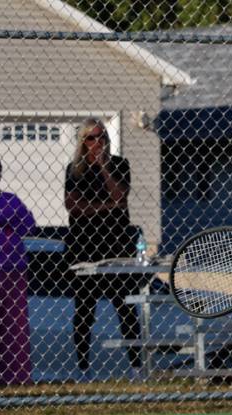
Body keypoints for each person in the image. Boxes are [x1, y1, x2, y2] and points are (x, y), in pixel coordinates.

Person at [64, 118, 141, 372]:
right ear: (82, 142)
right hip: (85, 247)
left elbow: (120, 196)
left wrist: (105, 168)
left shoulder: (120, 165)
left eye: (101, 137)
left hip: (116, 245)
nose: (97, 143)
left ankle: (136, 365)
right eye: (91, 138)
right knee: (84, 309)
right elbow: (73, 206)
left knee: (125, 307)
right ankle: (82, 366)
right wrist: (106, 208)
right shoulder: (75, 169)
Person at [0, 156, 36, 385]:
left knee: (12, 326)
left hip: (11, 270)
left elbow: (29, 225)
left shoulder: (10, 200)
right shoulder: (9, 205)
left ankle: (15, 377)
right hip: (12, 268)